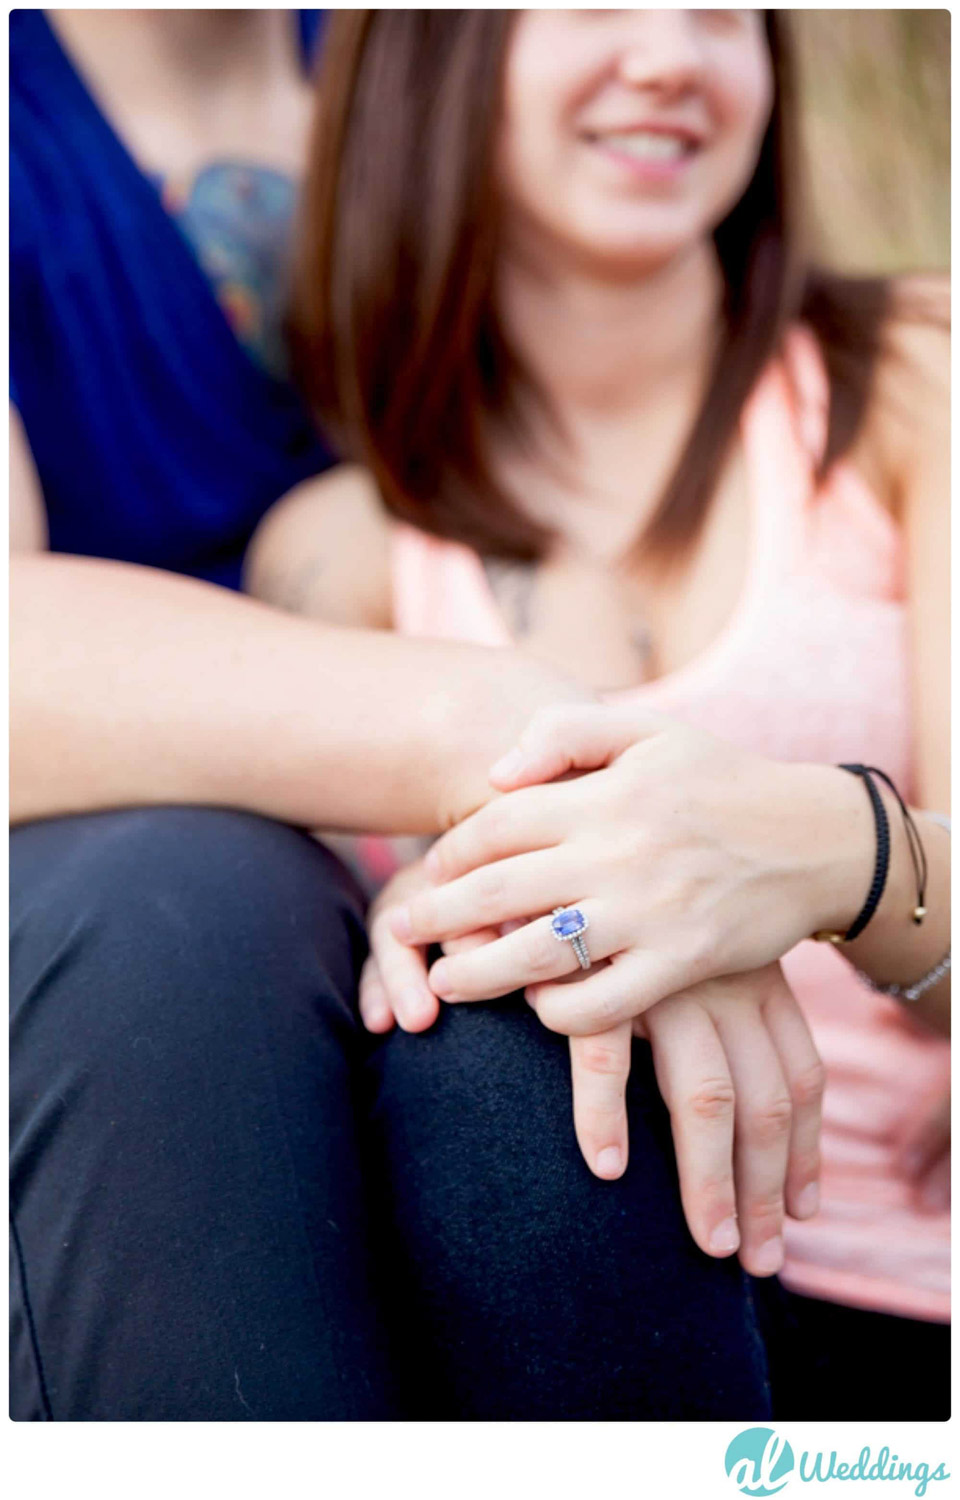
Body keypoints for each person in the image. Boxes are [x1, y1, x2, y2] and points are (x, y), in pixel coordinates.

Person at [11, 9, 790, 1421]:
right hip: (140, 931)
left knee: (521, 1036)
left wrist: (653, 849)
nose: (660, 49)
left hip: (421, 879)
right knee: (179, 906)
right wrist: (552, 760)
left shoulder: (453, 54)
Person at [250, 8, 950, 1419]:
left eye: (721, 12)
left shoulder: (915, 380)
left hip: (910, 1297)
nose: (669, 56)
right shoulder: (337, 553)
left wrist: (811, 854)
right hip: (572, 1274)